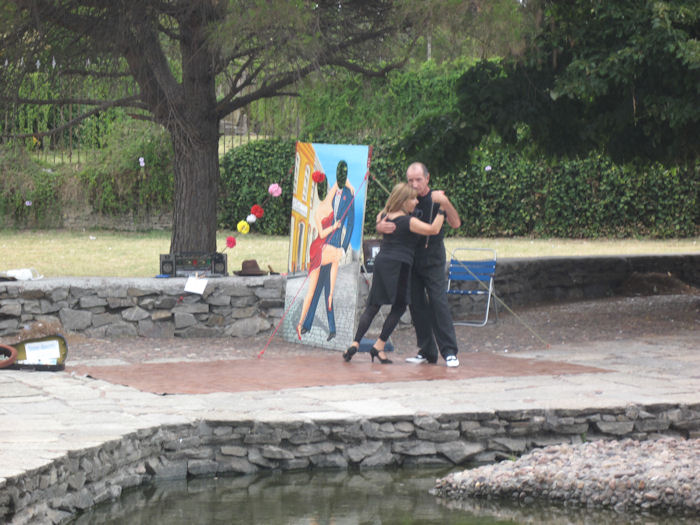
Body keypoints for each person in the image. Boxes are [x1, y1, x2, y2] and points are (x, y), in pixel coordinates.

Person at [342, 182, 446, 364]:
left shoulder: (383, 216)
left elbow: (379, 221)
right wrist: (442, 209)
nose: (416, 202)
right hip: (400, 265)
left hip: (382, 261)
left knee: (373, 305)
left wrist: (378, 226)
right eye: (412, 199)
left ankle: (355, 343)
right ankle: (379, 345)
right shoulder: (408, 222)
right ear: (404, 200)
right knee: (399, 306)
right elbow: (433, 230)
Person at [376, 162, 462, 367]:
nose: (414, 184)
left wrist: (445, 203)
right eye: (410, 180)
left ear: (427, 178)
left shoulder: (436, 198)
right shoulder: (405, 197)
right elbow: (385, 212)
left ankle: (449, 351)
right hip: (410, 259)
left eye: (418, 180)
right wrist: (379, 225)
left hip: (432, 258)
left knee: (438, 301)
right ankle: (427, 351)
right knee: (416, 304)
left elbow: (456, 224)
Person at [300, 161, 355, 340]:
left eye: (343, 172)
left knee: (328, 290)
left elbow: (351, 223)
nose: (340, 176)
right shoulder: (330, 193)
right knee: (317, 288)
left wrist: (343, 248)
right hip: (322, 245)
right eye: (339, 172)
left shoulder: (349, 195)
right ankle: (308, 325)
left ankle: (331, 329)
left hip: (334, 247)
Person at [296, 178, 340, 340]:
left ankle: (329, 329)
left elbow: (338, 184)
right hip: (319, 249)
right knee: (313, 292)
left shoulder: (328, 200)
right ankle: (303, 324)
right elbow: (321, 234)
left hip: (325, 249)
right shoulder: (318, 211)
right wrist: (334, 227)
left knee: (325, 292)